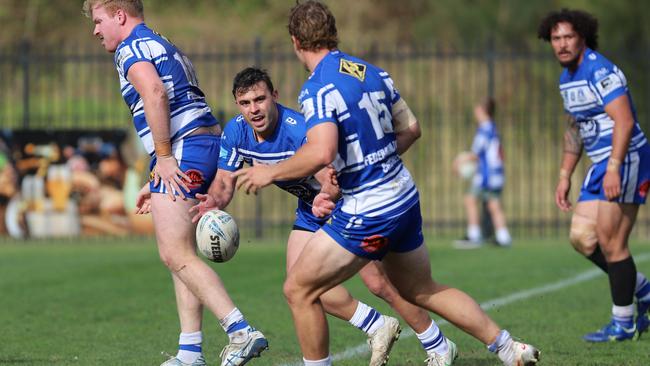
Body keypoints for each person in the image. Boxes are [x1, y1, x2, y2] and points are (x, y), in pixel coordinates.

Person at [232, 2, 540, 365]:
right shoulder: (372, 72)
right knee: (421, 288)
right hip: (403, 195)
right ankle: (508, 348)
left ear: (296, 41)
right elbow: (411, 129)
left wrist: (269, 171)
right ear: (332, 32)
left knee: (298, 289)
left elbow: (321, 150)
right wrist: (376, 160)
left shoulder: (317, 88)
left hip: (369, 207)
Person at [189, 66, 457, 365]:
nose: (254, 109)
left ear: (274, 96)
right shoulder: (236, 132)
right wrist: (212, 202)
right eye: (246, 103)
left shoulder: (297, 130)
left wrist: (325, 195)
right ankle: (378, 325)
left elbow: (329, 174)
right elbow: (225, 181)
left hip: (345, 203)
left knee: (378, 284)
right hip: (309, 210)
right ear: (238, 105)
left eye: (260, 99)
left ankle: (438, 344)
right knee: (299, 284)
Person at [82, 1, 268, 365]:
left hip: (183, 148)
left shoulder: (129, 48)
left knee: (174, 253)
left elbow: (155, 94)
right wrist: (158, 170)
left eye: (99, 20)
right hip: (203, 143)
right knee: (180, 251)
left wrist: (165, 159)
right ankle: (189, 352)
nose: (95, 30)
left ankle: (240, 332)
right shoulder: (161, 42)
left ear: (120, 15)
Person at [538, 9, 650, 342]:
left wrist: (614, 167)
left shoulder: (599, 70)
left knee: (613, 242)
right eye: (556, 38)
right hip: (600, 163)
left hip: (625, 157)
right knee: (582, 238)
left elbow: (625, 121)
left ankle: (624, 323)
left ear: (582, 36)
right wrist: (564, 174)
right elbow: (575, 129)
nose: (562, 44)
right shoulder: (567, 77)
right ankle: (643, 290)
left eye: (568, 37)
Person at [454, 98, 512, 248]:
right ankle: (503, 237)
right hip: (496, 173)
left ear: (482, 111)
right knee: (494, 205)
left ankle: (474, 235)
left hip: (487, 176)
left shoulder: (485, 129)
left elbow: (476, 154)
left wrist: (459, 160)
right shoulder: (492, 128)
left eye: (477, 109)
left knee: (470, 199)